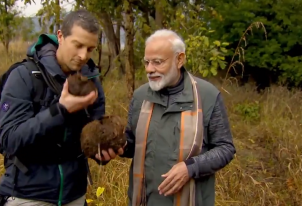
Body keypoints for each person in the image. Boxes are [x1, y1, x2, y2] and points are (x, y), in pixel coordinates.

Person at [96, 29, 236, 206]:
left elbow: (225, 148)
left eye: (157, 62)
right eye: (146, 62)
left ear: (179, 59)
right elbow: (133, 144)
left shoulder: (207, 96)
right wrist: (117, 144)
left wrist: (191, 168)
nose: (149, 69)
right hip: (144, 200)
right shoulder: (140, 97)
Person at [0, 9, 115, 206]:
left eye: (90, 49)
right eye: (78, 45)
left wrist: (102, 151)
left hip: (74, 194)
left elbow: (93, 134)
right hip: (28, 195)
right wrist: (60, 110)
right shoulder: (24, 76)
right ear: (60, 36)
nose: (83, 56)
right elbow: (10, 140)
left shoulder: (92, 81)